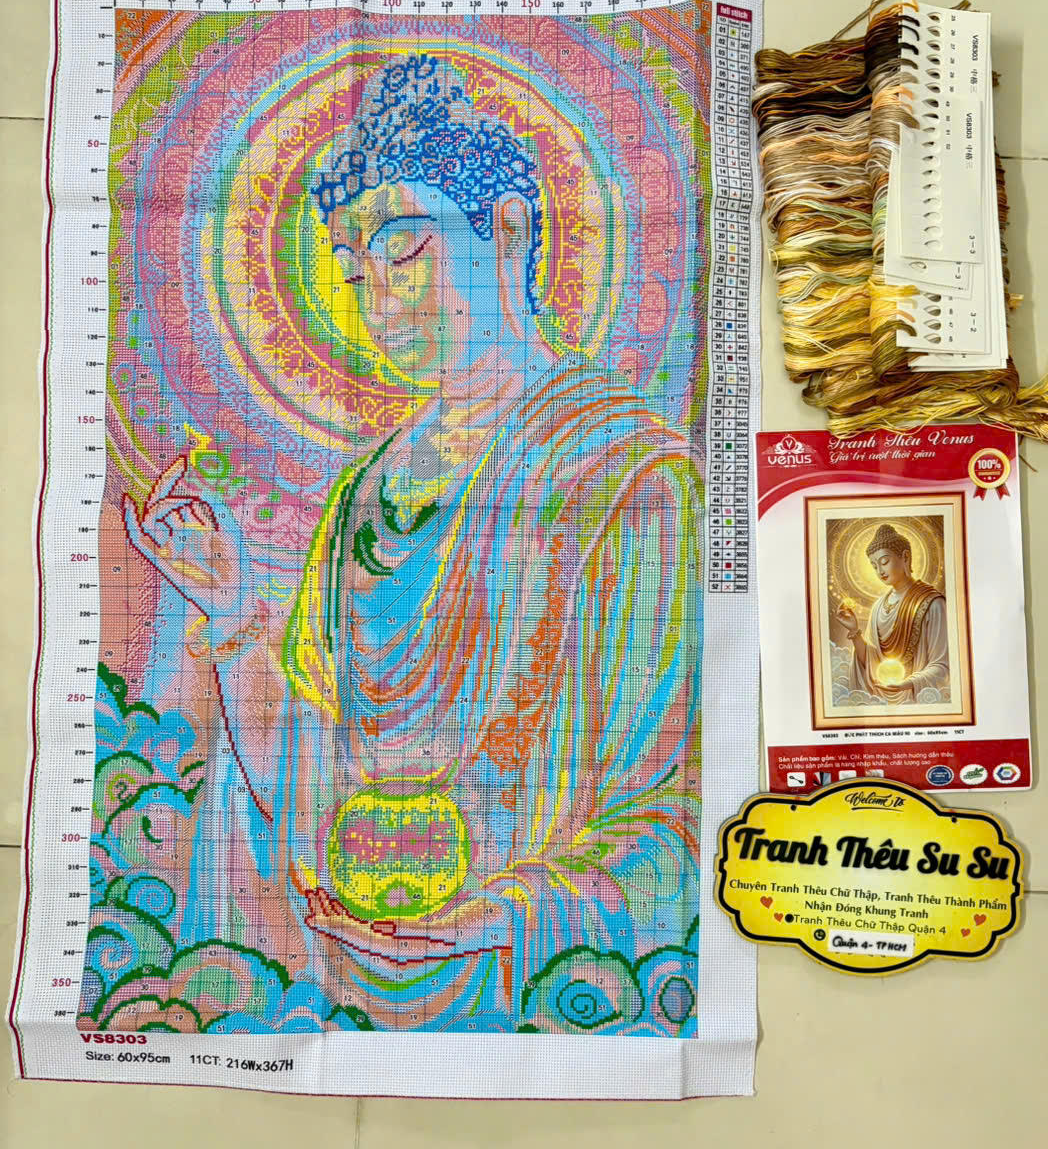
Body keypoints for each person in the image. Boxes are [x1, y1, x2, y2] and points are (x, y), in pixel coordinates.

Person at [123, 54, 702, 1032]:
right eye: (354, 275)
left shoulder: (627, 478)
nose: (377, 301)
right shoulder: (364, 493)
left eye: (404, 253)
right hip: (348, 950)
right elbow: (306, 788)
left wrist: (501, 914)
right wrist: (231, 613)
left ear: (508, 229)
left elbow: (670, 807)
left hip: (537, 968)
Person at [836, 523, 950, 705]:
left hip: (917, 698)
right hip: (881, 696)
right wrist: (854, 631)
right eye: (874, 566)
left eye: (884, 562)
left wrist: (908, 683)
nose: (880, 571)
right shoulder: (878, 607)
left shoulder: (933, 604)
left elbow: (942, 666)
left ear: (905, 557)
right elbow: (871, 664)